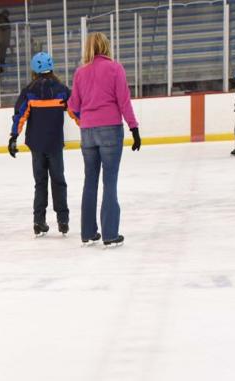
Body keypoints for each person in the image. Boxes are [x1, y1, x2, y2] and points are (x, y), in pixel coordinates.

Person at [69, 32, 140, 247]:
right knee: (109, 181)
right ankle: (110, 234)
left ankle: (88, 233)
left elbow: (73, 105)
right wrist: (134, 128)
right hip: (110, 130)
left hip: (88, 131)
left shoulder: (80, 72)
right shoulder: (115, 68)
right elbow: (123, 101)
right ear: (106, 46)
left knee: (89, 181)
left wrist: (87, 120)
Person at [9, 51, 74, 236]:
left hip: (36, 146)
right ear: (51, 67)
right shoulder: (61, 89)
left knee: (40, 183)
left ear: (34, 70)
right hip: (54, 144)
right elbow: (76, 111)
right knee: (59, 181)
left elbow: (19, 115)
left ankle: (39, 221)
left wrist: (13, 137)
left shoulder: (30, 91)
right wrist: (87, 127)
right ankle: (63, 220)